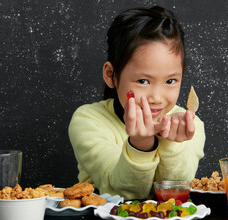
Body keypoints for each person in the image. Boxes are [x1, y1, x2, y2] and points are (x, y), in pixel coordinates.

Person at [68, 6, 205, 200]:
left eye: (170, 81)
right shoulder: (89, 121)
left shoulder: (191, 126)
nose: (157, 98)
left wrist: (172, 144)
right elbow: (122, 192)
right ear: (111, 75)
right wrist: (140, 145)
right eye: (143, 81)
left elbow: (175, 194)